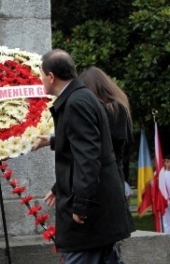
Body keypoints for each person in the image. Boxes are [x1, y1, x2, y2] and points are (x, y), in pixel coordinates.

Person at [32, 49, 132, 264]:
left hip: (92, 210)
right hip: (100, 206)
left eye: (41, 74)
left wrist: (82, 204)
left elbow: (88, 158)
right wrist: (60, 187)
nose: (40, 79)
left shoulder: (76, 102)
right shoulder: (81, 97)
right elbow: (78, 147)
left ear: (51, 76)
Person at [78, 66, 133, 182]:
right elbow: (127, 149)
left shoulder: (109, 112)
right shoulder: (120, 109)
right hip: (116, 175)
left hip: (101, 178)